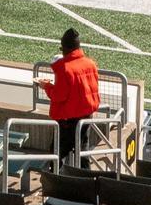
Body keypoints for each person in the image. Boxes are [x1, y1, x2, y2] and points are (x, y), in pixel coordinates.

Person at [35, 29, 102, 167]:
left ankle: (56, 181)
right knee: (82, 152)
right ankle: (87, 181)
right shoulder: (90, 63)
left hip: (68, 120)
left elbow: (59, 96)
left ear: (64, 49)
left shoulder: (65, 68)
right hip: (86, 116)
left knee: (57, 153)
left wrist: (46, 86)